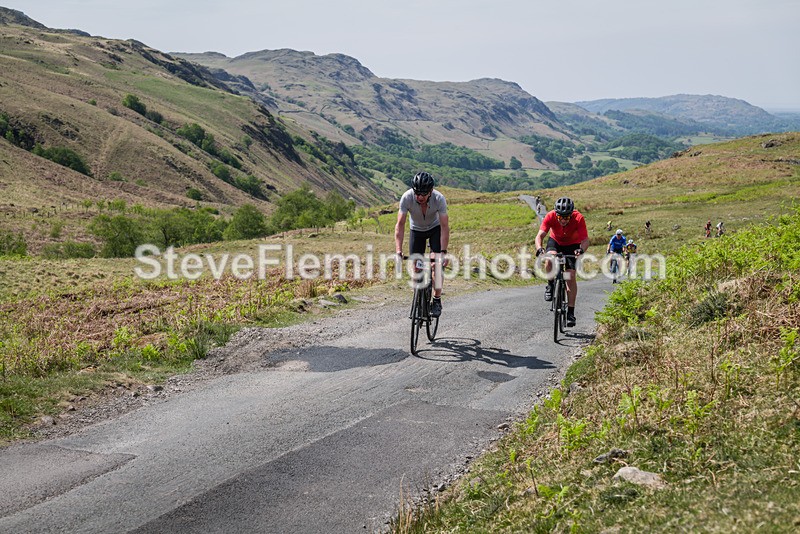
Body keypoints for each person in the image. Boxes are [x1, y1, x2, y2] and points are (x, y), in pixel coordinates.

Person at [395, 171, 450, 317]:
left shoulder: (439, 199)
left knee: (436, 265)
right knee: (416, 266)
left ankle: (437, 299)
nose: (419, 197)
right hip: (416, 231)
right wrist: (398, 250)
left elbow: (445, 227)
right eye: (417, 193)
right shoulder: (407, 198)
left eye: (423, 194)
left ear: (430, 192)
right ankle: (418, 301)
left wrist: (443, 252)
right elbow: (400, 225)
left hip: (434, 229)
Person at [535, 196, 589, 327]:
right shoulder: (550, 216)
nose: (563, 220)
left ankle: (570, 312)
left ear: (571, 215)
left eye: (566, 217)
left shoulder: (578, 218)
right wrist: (539, 249)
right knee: (549, 259)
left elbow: (585, 240)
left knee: (570, 276)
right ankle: (550, 284)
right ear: (556, 215)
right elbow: (540, 236)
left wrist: (581, 250)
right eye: (560, 217)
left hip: (572, 245)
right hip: (556, 242)